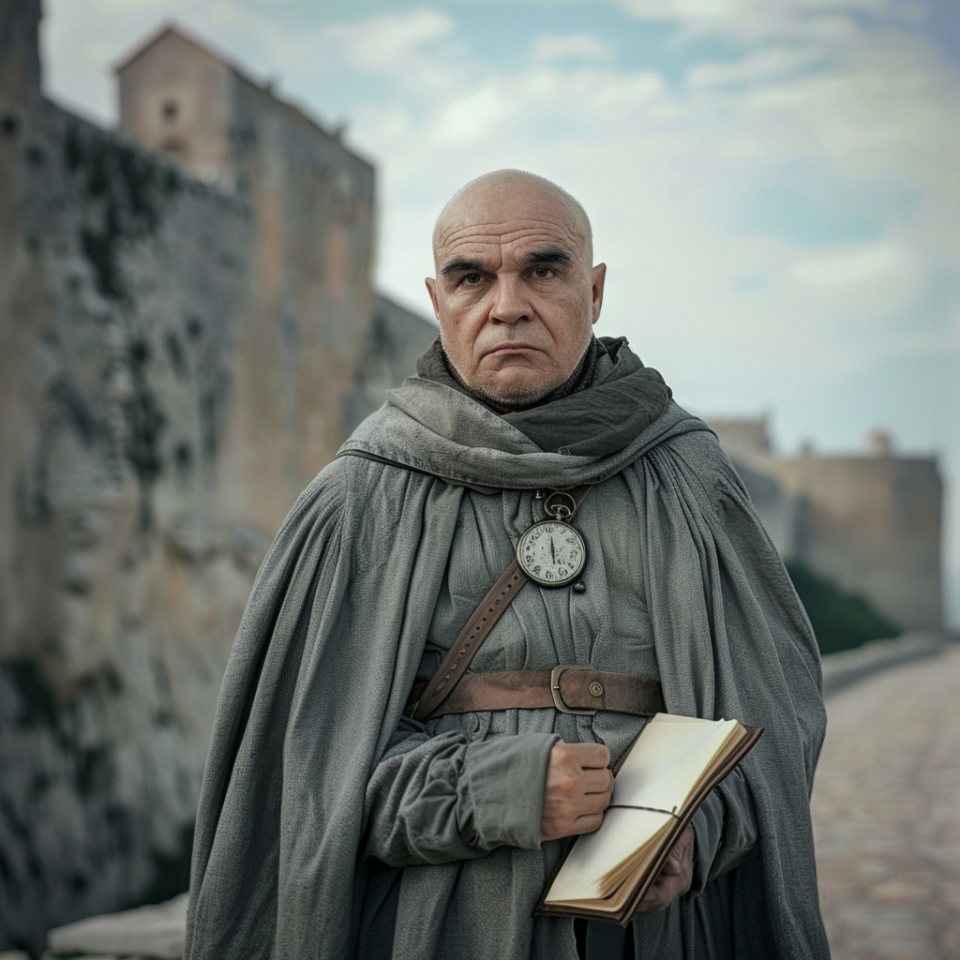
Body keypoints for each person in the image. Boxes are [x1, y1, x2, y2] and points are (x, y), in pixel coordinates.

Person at [185, 170, 830, 960]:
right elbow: (302, 785)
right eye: (472, 278)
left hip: (656, 936)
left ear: (593, 292)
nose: (507, 304)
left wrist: (701, 833)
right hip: (440, 929)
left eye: (543, 270)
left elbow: (776, 715)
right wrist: (500, 791)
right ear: (438, 299)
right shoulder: (358, 501)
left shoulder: (687, 481)